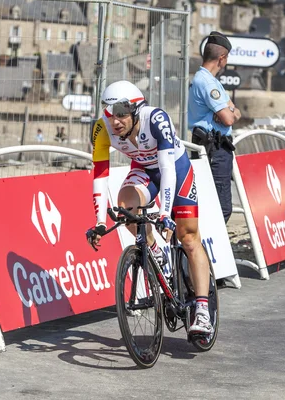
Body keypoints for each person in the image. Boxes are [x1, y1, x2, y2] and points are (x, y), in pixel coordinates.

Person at [86, 80, 213, 336]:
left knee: (188, 237)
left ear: (135, 111)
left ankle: (202, 311)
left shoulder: (155, 118)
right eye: (110, 114)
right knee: (125, 209)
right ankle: (156, 253)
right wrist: (100, 221)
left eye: (122, 113)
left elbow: (167, 170)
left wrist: (165, 213)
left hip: (175, 170)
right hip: (143, 170)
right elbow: (100, 175)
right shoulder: (101, 128)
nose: (115, 121)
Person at [188, 31, 240, 223]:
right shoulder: (208, 83)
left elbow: (236, 111)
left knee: (210, 203)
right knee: (222, 207)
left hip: (211, 145)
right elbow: (229, 119)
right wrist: (226, 111)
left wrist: (228, 110)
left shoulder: (209, 80)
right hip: (214, 147)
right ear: (222, 58)